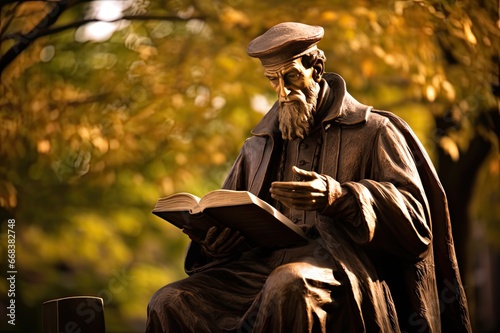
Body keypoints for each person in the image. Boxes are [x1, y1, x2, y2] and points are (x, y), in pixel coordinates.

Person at [146, 22, 471, 333]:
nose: (283, 91)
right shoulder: (256, 147)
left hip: (340, 267)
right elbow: (228, 217)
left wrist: (340, 198)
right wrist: (213, 241)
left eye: (291, 77)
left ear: (316, 68)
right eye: (273, 81)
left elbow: (416, 220)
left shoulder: (374, 131)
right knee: (170, 300)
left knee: (289, 284)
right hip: (256, 269)